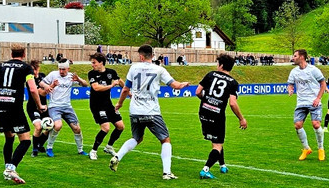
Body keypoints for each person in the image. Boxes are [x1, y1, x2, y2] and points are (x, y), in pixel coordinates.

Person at [111, 44, 190, 179]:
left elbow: (125, 89)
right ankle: (166, 172)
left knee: (137, 138)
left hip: (135, 111)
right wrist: (182, 84)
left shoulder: (133, 68)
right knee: (165, 140)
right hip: (152, 111)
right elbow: (174, 85)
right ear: (152, 56)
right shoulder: (159, 69)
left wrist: (119, 103)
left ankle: (117, 156)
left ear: (141, 56)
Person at [0, 44, 40, 184]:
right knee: (26, 140)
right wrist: (39, 105)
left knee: (9, 138)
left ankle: (7, 168)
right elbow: (33, 89)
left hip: (0, 105)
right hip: (14, 106)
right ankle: (11, 168)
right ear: (23, 54)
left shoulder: (0, 66)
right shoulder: (26, 68)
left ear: (11, 54)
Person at [196, 54, 247, 179]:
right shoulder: (233, 83)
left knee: (217, 140)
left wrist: (207, 99)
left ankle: (222, 165)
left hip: (204, 111)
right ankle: (205, 169)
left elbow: (198, 92)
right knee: (218, 144)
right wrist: (241, 118)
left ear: (221, 65)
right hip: (217, 114)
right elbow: (233, 103)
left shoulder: (210, 74)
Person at [41, 59, 90, 156]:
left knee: (77, 129)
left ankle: (80, 150)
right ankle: (49, 148)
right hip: (54, 106)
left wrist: (78, 80)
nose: (61, 71)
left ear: (68, 68)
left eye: (63, 69)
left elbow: (85, 84)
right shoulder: (53, 74)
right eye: (59, 69)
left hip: (67, 107)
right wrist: (48, 86)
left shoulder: (72, 76)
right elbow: (41, 83)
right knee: (58, 125)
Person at [287, 49, 328, 161]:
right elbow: (290, 84)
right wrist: (290, 89)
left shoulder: (313, 70)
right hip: (301, 102)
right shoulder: (294, 72)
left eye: (295, 56)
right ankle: (306, 149)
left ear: (302, 57)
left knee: (316, 124)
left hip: (314, 101)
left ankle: (321, 149)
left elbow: (323, 84)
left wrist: (318, 98)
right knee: (297, 125)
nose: (293, 58)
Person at [86, 52, 126, 160]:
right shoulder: (92, 74)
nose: (92, 65)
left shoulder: (111, 72)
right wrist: (111, 85)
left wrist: (128, 91)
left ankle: (109, 146)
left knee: (120, 126)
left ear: (101, 63)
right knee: (106, 127)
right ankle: (93, 150)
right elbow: (96, 88)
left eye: (94, 63)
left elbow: (120, 81)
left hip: (108, 104)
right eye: (92, 63)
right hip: (97, 105)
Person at [25, 59, 50, 156]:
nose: (34, 72)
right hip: (33, 107)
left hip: (44, 107)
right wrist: (52, 86)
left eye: (35, 69)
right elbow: (42, 92)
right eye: (32, 69)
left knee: (49, 127)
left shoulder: (43, 76)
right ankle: (35, 149)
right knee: (39, 127)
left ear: (38, 68)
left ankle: (40, 145)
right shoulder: (29, 79)